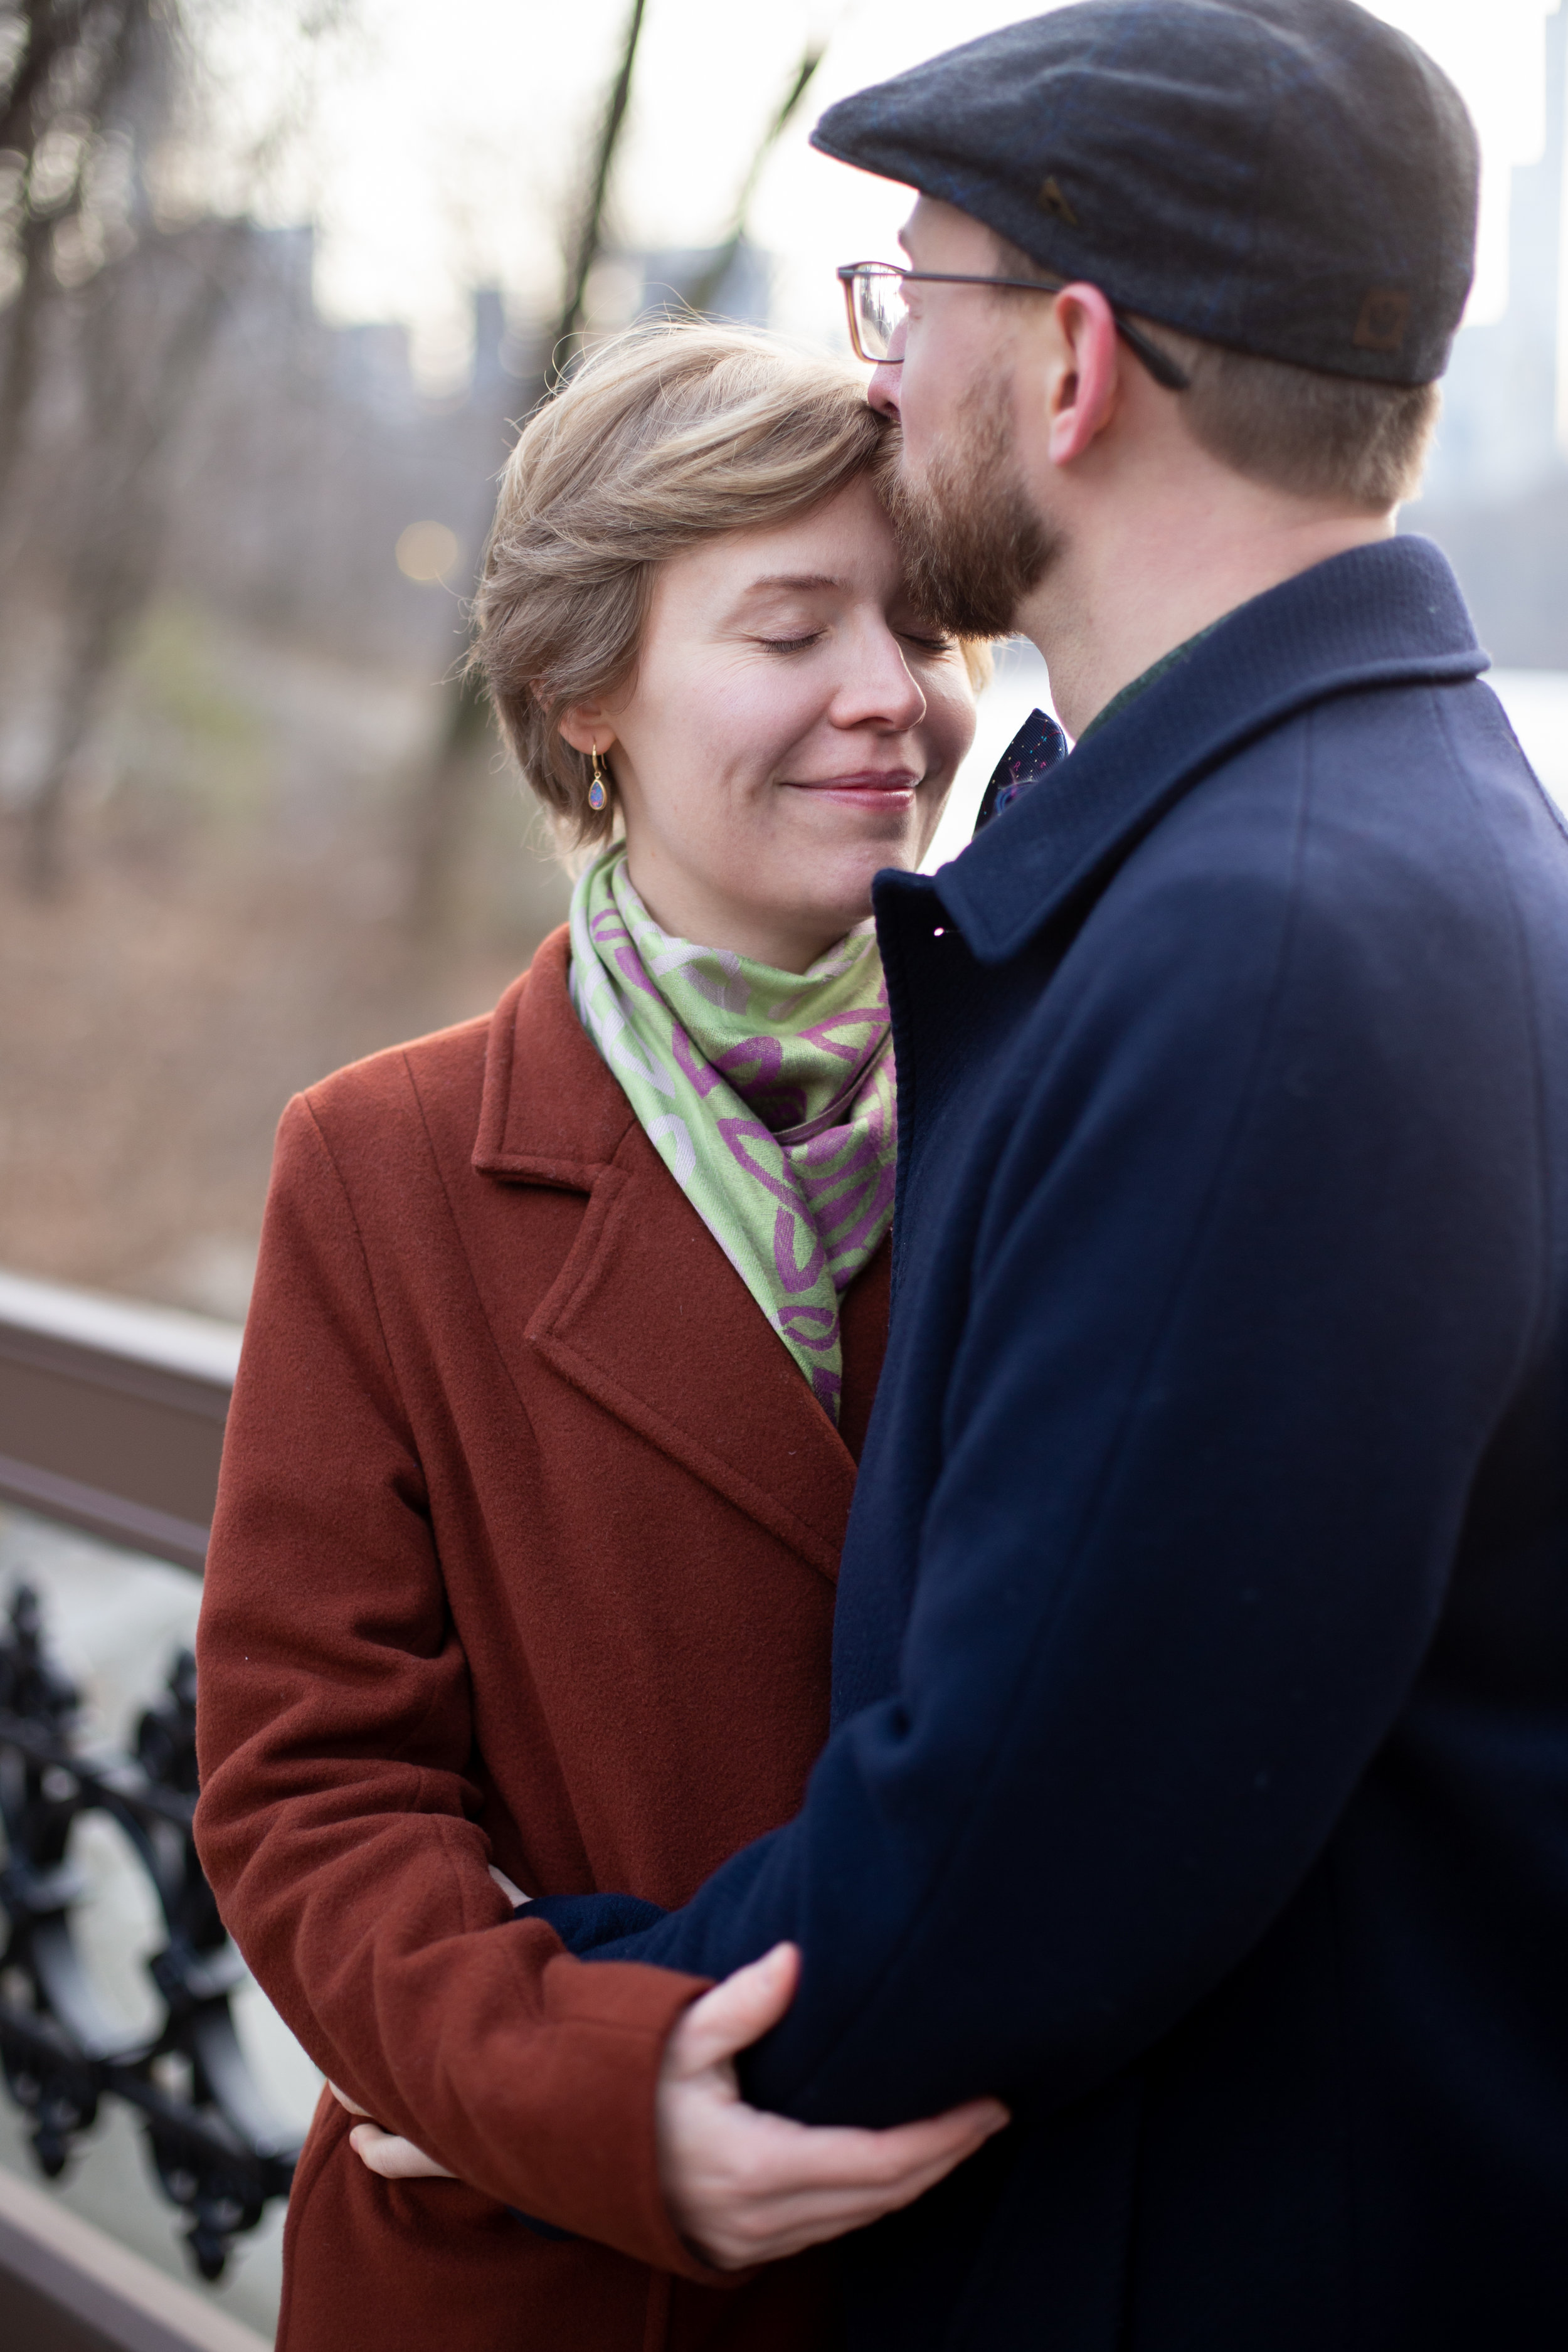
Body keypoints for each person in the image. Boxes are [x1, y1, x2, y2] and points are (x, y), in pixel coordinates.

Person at [486, 5, 1568, 2346]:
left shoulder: (1269, 940)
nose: (878, 378)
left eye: (909, 299)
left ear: (1070, 361)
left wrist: (521, 2034)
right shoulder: (1352, 831)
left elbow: (1006, 1861)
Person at [191, 323, 1007, 2352]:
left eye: (916, 621)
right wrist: (581, 2092)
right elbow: (306, 1790)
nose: (886, 694)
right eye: (789, 627)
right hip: (539, 2275)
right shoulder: (380, 1170)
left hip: (976, 2249)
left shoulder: (1066, 1106)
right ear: (586, 696)